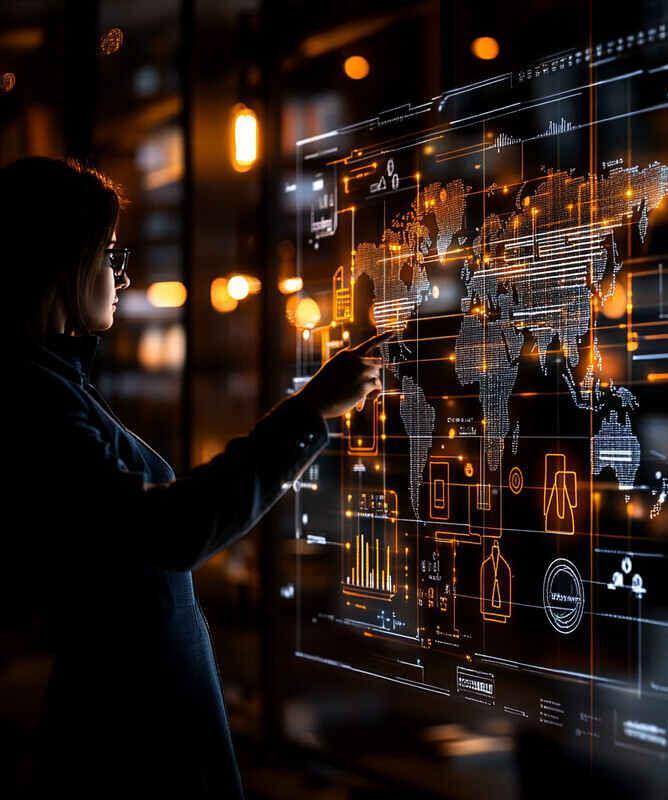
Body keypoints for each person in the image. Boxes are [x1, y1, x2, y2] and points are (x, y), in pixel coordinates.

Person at [1, 156, 387, 799]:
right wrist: (309, 412)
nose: (123, 274)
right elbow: (169, 528)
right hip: (132, 742)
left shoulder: (54, 384)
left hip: (132, 723)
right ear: (63, 262)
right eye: (109, 253)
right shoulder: (34, 396)